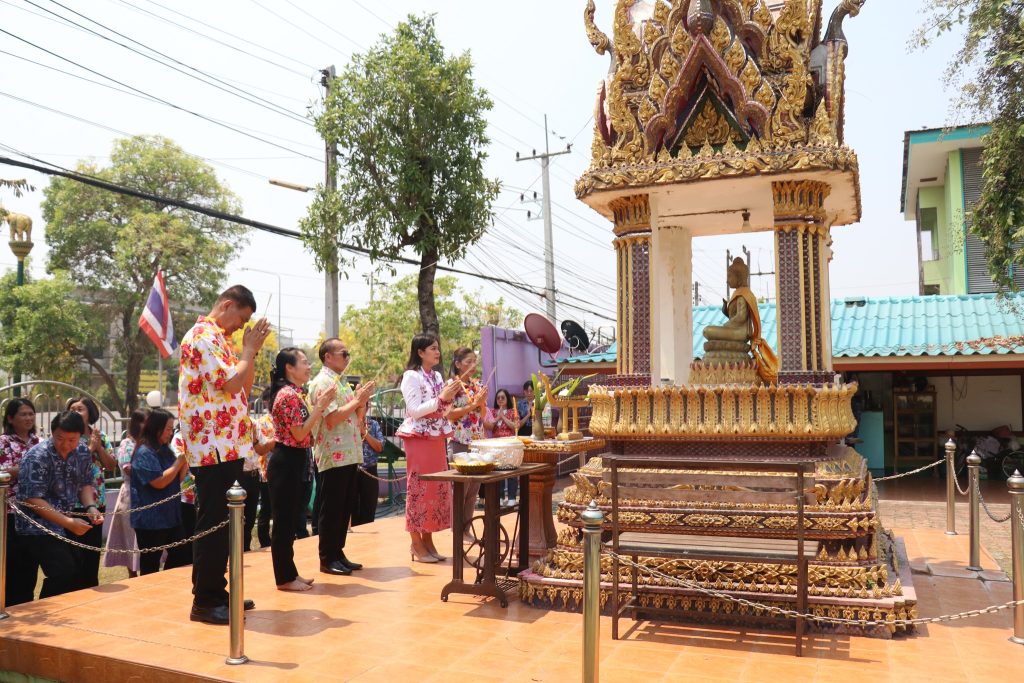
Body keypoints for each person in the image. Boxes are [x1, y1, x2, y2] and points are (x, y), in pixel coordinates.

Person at [178, 284, 270, 624]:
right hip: (212, 444)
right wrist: (248, 349)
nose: (241, 327)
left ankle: (217, 591)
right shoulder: (202, 335)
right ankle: (205, 600)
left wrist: (250, 353)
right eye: (241, 319)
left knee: (223, 523)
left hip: (227, 444)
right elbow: (231, 384)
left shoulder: (220, 339)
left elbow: (242, 385)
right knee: (213, 523)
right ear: (227, 305)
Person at [265, 347, 336, 591]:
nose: (308, 367)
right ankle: (284, 578)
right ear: (289, 367)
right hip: (286, 462)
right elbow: (298, 433)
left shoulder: (296, 393)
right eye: (304, 362)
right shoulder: (287, 395)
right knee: (283, 523)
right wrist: (321, 406)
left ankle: (290, 572)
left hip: (296, 460)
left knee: (291, 521)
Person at [15, 410, 102, 599]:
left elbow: (85, 483)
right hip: (35, 527)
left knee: (77, 573)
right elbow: (33, 499)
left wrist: (90, 506)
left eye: (72, 440)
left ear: (80, 436)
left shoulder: (82, 452)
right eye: (60, 438)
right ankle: (44, 610)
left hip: (64, 523)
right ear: (52, 433)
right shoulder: (37, 456)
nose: (65, 444)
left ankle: (56, 609)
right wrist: (68, 522)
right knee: (62, 572)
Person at [308, 338, 375, 576]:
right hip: (332, 454)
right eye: (343, 353)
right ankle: (327, 558)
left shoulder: (341, 382)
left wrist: (361, 402)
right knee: (332, 508)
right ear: (328, 356)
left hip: (348, 452)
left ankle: (338, 552)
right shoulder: (322, 383)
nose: (347, 358)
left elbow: (354, 418)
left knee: (345, 506)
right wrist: (357, 400)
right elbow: (331, 419)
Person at [397, 333, 460, 563]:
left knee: (435, 488)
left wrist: (449, 398)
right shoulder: (411, 376)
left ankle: (428, 540)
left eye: (437, 347)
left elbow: (443, 410)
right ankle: (416, 543)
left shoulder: (437, 375)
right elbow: (414, 410)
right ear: (420, 352)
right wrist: (441, 399)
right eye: (432, 348)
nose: (437, 352)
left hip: (436, 435)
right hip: (418, 436)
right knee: (419, 488)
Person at [130, 409, 191, 576]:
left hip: (171, 516)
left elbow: (176, 479)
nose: (171, 433)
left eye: (172, 429)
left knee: (182, 555)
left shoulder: (165, 449)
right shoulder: (144, 452)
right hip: (150, 520)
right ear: (157, 428)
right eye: (168, 429)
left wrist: (184, 461)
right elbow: (159, 482)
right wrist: (178, 463)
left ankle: (167, 581)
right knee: (150, 564)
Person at [66, 397, 116, 589]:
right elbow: (71, 465)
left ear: (90, 413)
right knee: (74, 555)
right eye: (72, 409)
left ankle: (91, 586)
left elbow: (111, 465)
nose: (75, 412)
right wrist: (90, 449)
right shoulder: (67, 437)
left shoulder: (100, 436)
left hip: (97, 502)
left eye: (80, 409)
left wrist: (99, 447)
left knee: (92, 553)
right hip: (73, 503)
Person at [0, 398, 41, 606]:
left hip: (35, 512)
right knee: (11, 564)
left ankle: (27, 604)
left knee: (30, 564)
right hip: (9, 512)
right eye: (23, 414)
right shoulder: (4, 442)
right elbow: (4, 473)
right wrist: (29, 468)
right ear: (10, 418)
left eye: (31, 414)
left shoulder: (39, 442)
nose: (28, 418)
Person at [445, 347, 488, 541]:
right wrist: (473, 405)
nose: (472, 365)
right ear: (457, 364)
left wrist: (481, 403)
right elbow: (449, 414)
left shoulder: (476, 384)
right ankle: (457, 530)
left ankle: (466, 529)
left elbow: (483, 415)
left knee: (473, 490)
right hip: (459, 440)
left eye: (474, 361)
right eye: (468, 362)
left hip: (477, 441)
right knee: (460, 489)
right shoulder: (452, 386)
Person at [104, 408, 147, 578]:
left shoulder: (153, 443)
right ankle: (133, 576)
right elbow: (128, 468)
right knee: (130, 537)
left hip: (151, 495)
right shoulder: (126, 444)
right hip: (131, 495)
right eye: (145, 421)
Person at [484, 389, 519, 505]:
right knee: (498, 471)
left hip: (509, 445)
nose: (500, 400)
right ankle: (499, 497)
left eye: (502, 397)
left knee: (511, 470)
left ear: (507, 399)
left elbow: (515, 426)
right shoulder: (492, 411)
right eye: (498, 398)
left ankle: (512, 498)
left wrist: (503, 417)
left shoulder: (512, 411)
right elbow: (489, 426)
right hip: (496, 445)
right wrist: (498, 417)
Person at [354, 414, 383, 527]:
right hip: (352, 470)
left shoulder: (373, 424)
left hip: (370, 470)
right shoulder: (348, 423)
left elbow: (380, 447)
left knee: (369, 507)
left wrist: (364, 433)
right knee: (352, 508)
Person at [252, 413, 276, 549]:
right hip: (265, 470)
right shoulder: (263, 421)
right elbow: (263, 444)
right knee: (266, 508)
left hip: (279, 470)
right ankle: (264, 539)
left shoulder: (280, 419)